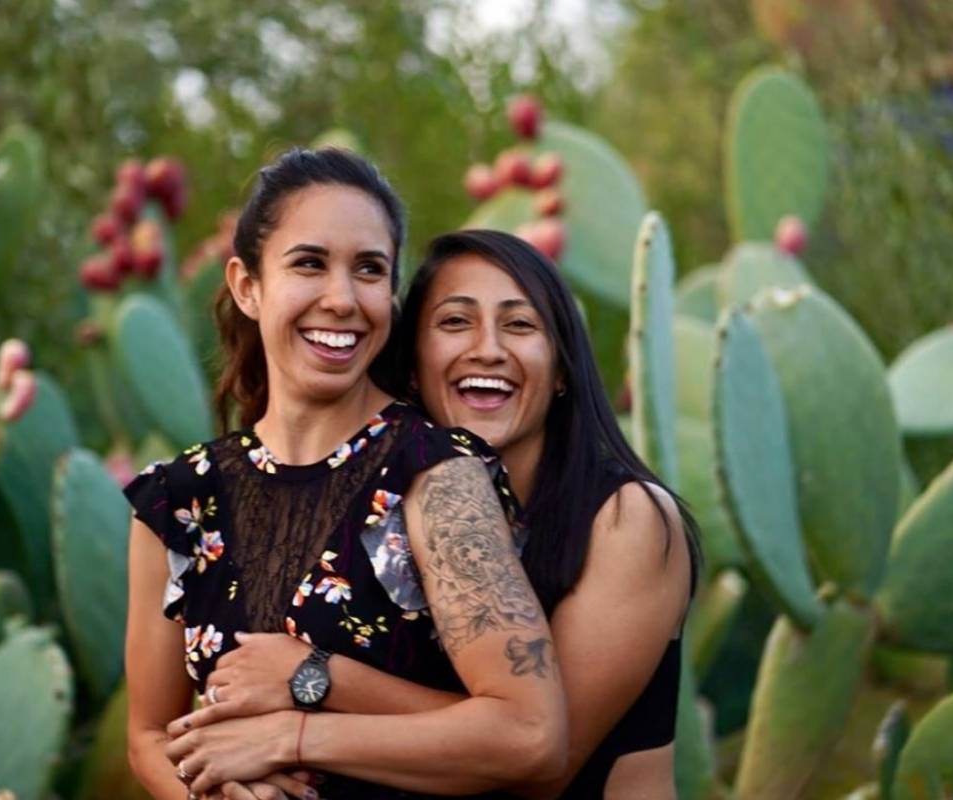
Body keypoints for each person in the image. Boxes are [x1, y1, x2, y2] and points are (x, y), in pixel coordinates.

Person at [178, 229, 701, 799]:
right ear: (411, 367)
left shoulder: (626, 520)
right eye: (455, 323)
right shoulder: (391, 513)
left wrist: (312, 684)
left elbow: (536, 758)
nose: (488, 349)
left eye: (520, 325)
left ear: (561, 371)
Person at [123, 151, 567, 800]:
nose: (342, 299)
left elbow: (532, 735)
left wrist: (295, 730)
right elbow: (147, 735)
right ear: (247, 285)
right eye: (309, 263)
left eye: (369, 270)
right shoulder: (177, 502)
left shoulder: (438, 480)